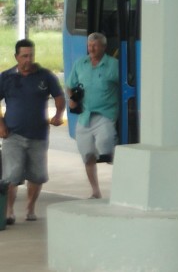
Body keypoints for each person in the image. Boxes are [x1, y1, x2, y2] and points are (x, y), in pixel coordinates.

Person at [0, 39, 65, 225]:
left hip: (39, 136)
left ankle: (30, 208)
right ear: (16, 57)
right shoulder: (6, 77)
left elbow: (59, 97)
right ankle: (9, 211)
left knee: (37, 175)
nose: (28, 60)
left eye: (31, 55)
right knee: (11, 175)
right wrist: (1, 124)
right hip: (13, 135)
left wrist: (59, 114)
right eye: (24, 56)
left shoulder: (45, 76)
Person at [66, 32, 119, 199]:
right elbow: (69, 85)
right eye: (89, 45)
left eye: (95, 45)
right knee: (87, 154)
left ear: (104, 47)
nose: (92, 48)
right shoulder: (80, 63)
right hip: (85, 115)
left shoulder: (113, 64)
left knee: (106, 146)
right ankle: (96, 191)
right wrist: (72, 100)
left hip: (105, 113)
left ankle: (120, 183)